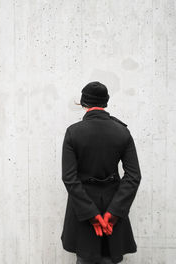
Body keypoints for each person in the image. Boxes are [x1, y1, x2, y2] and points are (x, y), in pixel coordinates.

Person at [60, 81, 142, 264]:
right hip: (113, 207)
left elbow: (69, 178)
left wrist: (91, 214)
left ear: (83, 103)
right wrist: (113, 213)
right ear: (105, 102)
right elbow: (134, 176)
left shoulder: (73, 133)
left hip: (83, 210)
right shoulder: (122, 132)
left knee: (84, 259)